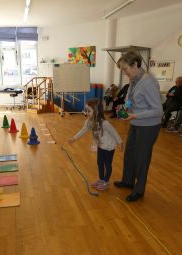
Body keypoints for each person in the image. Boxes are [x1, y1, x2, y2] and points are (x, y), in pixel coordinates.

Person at [114, 51, 163, 202]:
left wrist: (136, 115)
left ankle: (139, 190)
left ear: (135, 65)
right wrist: (125, 108)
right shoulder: (134, 80)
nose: (124, 72)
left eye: (125, 69)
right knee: (129, 154)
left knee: (141, 158)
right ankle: (128, 181)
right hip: (135, 123)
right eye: (122, 69)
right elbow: (131, 100)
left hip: (148, 126)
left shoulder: (148, 82)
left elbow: (158, 111)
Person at [69, 98, 123, 191]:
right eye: (86, 110)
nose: (87, 113)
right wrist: (74, 138)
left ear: (97, 111)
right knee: (100, 163)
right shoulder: (89, 122)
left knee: (107, 164)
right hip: (101, 146)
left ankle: (106, 182)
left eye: (89, 111)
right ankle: (101, 179)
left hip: (109, 147)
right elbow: (83, 130)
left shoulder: (104, 123)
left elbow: (114, 133)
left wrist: (120, 143)